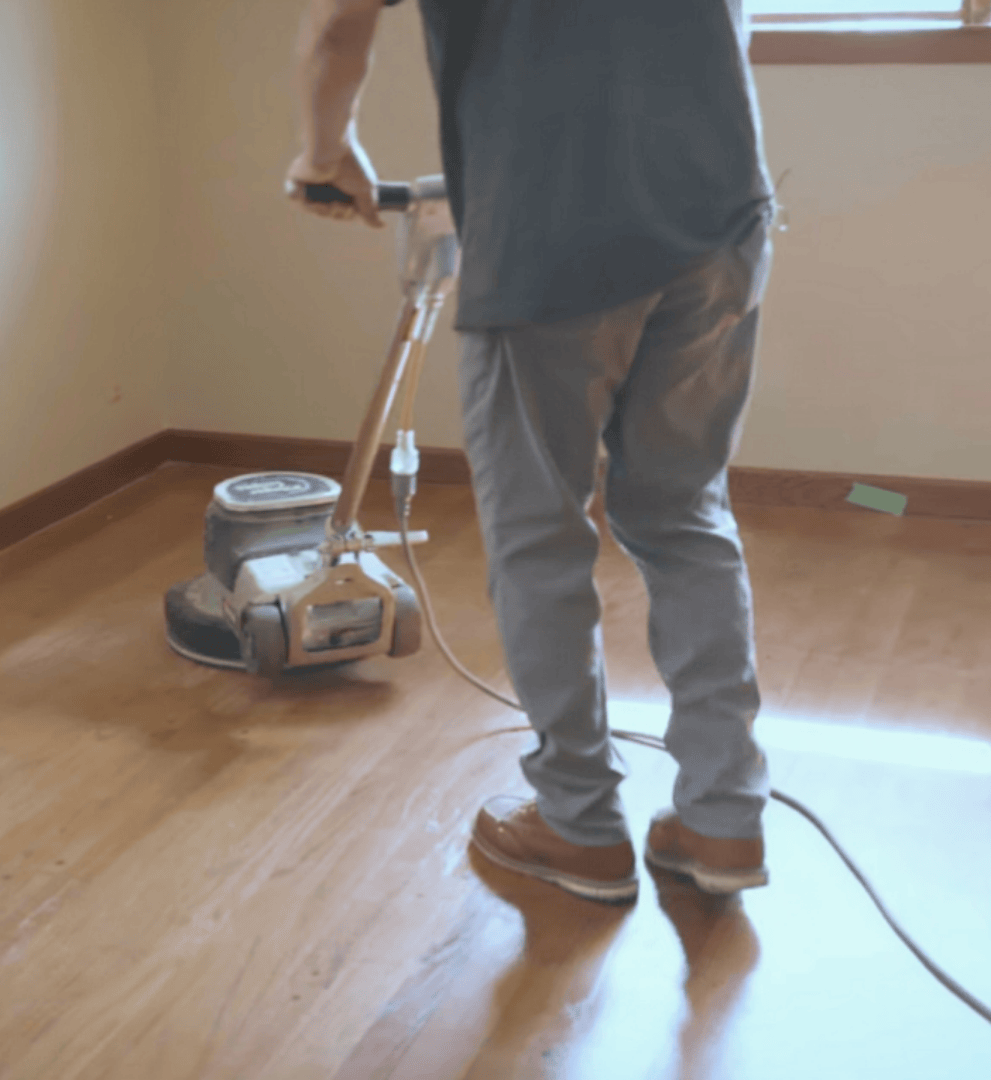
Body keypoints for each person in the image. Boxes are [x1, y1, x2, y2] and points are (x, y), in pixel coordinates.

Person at [287, 0, 775, 905]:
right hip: (718, 214)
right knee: (686, 514)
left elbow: (335, 23)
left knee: (538, 534)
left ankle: (579, 824)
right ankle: (724, 815)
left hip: (551, 229)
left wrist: (326, 150)